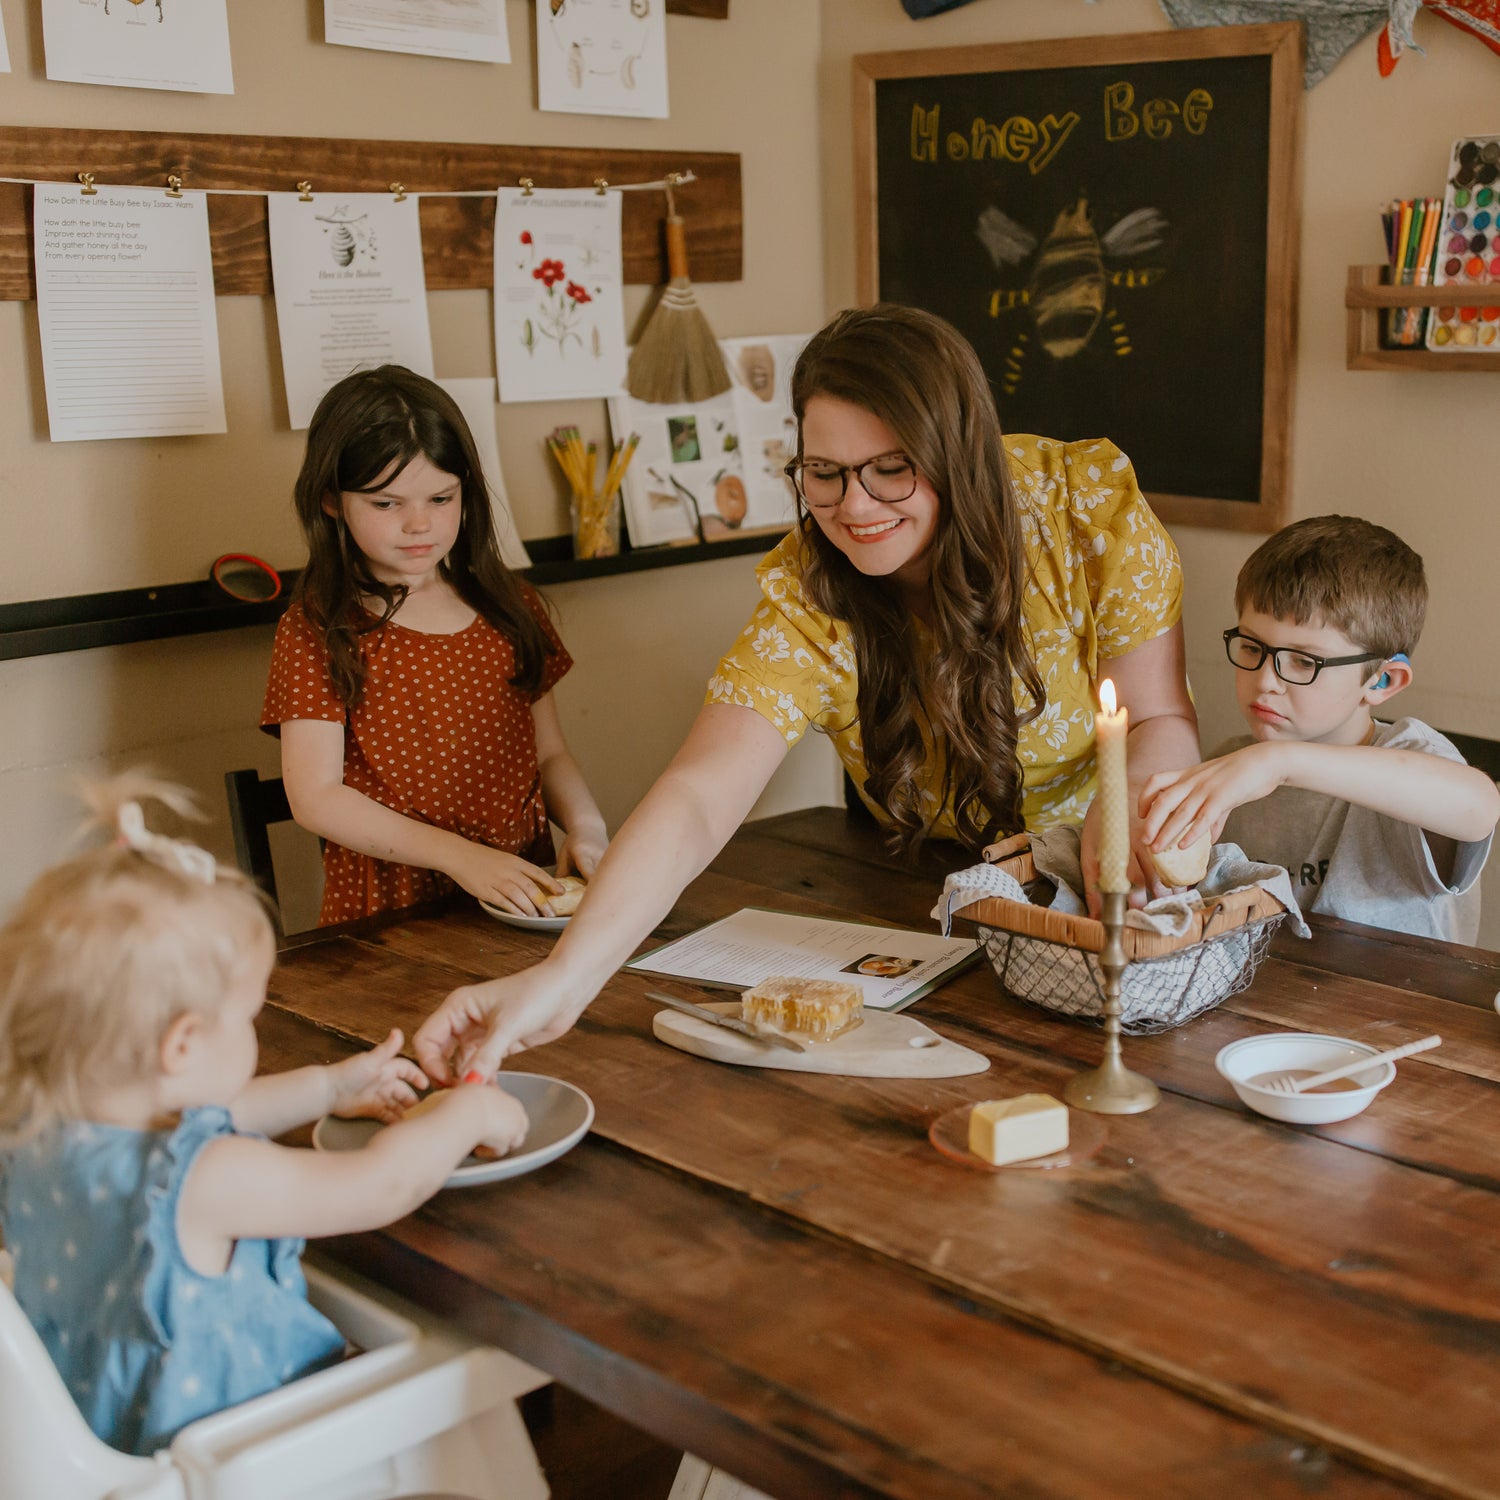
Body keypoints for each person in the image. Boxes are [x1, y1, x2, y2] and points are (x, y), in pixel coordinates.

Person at [412, 304, 1200, 1081]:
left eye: (892, 468)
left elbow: (1159, 715)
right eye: (824, 473)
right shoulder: (809, 590)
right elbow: (697, 794)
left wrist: (1123, 812)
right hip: (930, 894)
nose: (854, 507)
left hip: (1109, 881)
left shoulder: (1081, 509)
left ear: (957, 452)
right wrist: (564, 979)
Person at [0, 777, 528, 1457]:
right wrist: (464, 1113)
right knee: (473, 1410)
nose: (254, 1031)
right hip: (247, 1459)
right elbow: (378, 1187)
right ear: (183, 1045)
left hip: (99, 1449)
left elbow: (207, 1118)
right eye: (250, 1016)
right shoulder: (208, 1179)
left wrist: (328, 1088)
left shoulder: (35, 1134)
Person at [262, 365, 607, 925]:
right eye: (386, 504)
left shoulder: (510, 604)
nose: (419, 524)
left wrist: (588, 827)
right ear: (331, 502)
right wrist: (462, 859)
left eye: (441, 498)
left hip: (521, 896)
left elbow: (549, 754)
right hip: (392, 916)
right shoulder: (317, 628)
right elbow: (315, 797)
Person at [1141, 516, 1498, 942]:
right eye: (1253, 646)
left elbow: (1479, 809)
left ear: (1381, 681)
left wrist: (1280, 762)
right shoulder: (1232, 768)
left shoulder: (1407, 751)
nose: (1266, 680)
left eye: (1304, 662)